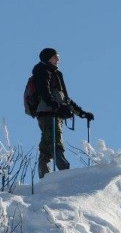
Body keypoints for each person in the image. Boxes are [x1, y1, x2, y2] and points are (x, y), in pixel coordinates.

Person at [32, 47, 94, 178]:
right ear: (48, 58)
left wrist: (81, 113)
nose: (58, 59)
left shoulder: (56, 74)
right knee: (55, 142)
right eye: (55, 57)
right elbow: (45, 93)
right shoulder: (42, 71)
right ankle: (65, 172)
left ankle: (44, 177)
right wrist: (56, 107)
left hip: (51, 113)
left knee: (46, 146)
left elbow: (65, 98)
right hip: (48, 113)